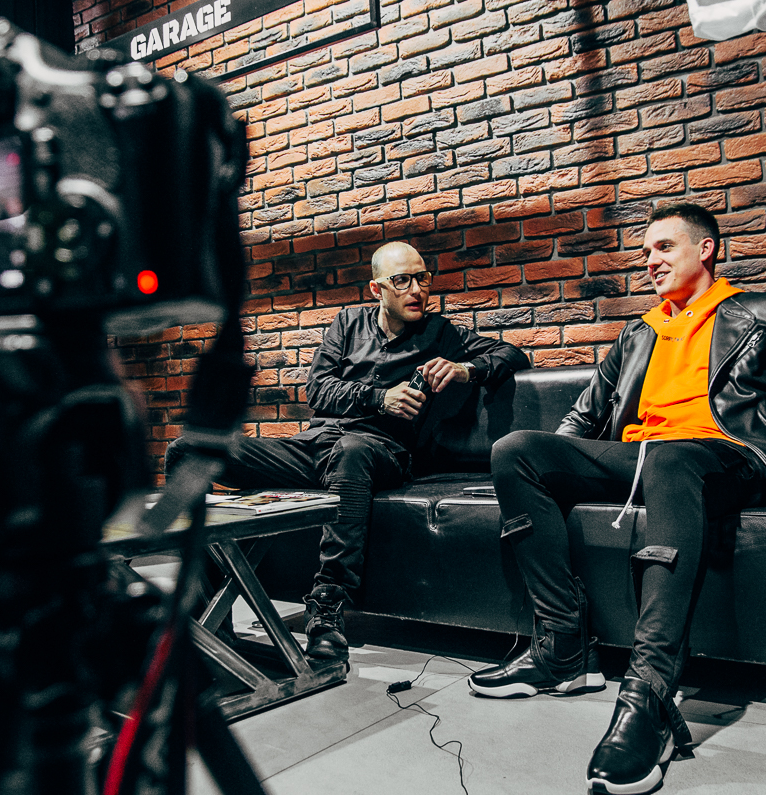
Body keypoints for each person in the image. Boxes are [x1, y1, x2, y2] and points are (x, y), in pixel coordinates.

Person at [467, 203, 766, 794]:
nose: (650, 261)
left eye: (663, 247)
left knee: (671, 456)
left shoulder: (763, 312)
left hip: (737, 457)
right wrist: (554, 469)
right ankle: (562, 648)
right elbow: (582, 419)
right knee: (515, 450)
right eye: (645, 252)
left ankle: (649, 694)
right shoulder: (637, 334)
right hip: (646, 459)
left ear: (705, 248)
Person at [165, 241, 529, 659]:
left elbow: (512, 355)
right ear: (378, 289)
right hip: (314, 447)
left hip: (380, 453)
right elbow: (318, 389)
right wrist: (379, 398)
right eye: (402, 280)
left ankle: (327, 608)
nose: (417, 290)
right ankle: (209, 614)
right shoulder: (347, 324)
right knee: (188, 450)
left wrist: (466, 369)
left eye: (422, 278)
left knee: (352, 450)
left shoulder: (442, 333)